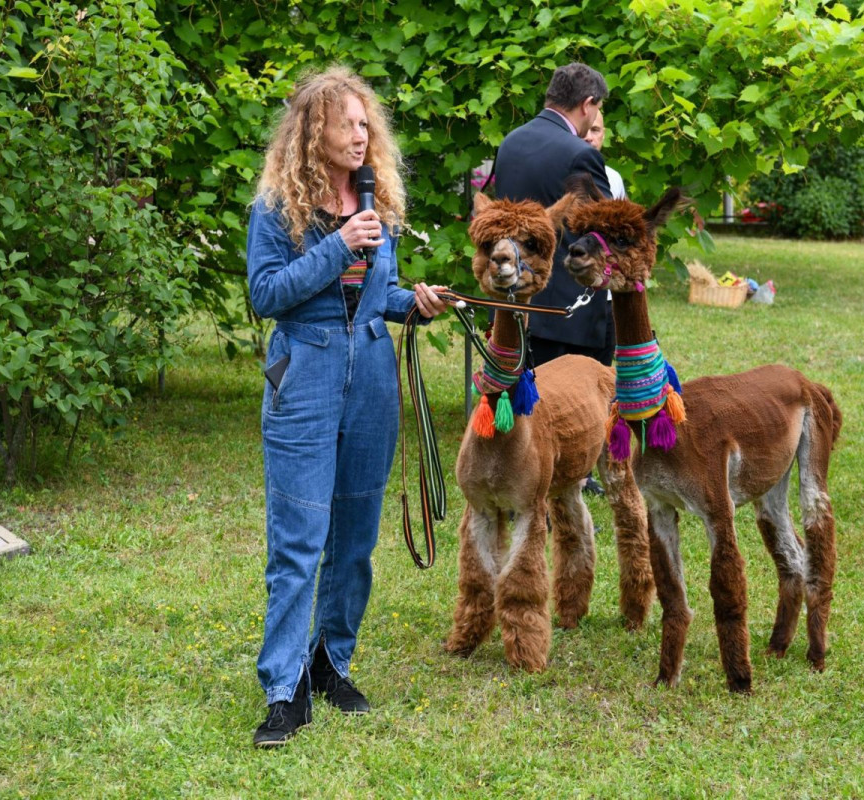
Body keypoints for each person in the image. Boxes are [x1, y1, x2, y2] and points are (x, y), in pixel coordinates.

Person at [245, 65, 448, 748]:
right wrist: (338, 246)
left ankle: (333, 661)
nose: (361, 136)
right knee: (299, 540)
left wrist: (413, 306)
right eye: (347, 124)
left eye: (367, 125)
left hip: (370, 376)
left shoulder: (374, 202)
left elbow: (371, 299)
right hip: (303, 372)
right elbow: (267, 295)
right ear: (314, 132)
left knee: (355, 538)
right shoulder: (278, 209)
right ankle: (283, 688)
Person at [492, 63, 614, 368]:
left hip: (515, 302)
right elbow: (606, 230)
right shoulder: (581, 154)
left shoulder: (510, 143)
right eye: (596, 107)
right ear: (587, 105)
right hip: (567, 320)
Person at [583, 109, 626, 200]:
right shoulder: (558, 175)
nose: (589, 137)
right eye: (583, 130)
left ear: (603, 134)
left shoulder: (614, 178)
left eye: (595, 130)